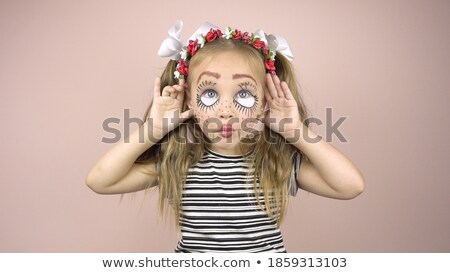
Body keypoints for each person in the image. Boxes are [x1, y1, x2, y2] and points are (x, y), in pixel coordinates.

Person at [86, 20, 365, 252]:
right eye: (209, 93)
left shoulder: (277, 162)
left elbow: (350, 186)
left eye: (244, 94)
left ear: (265, 101)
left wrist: (296, 132)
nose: (226, 111)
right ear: (188, 101)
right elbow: (100, 181)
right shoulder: (177, 162)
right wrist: (152, 130)